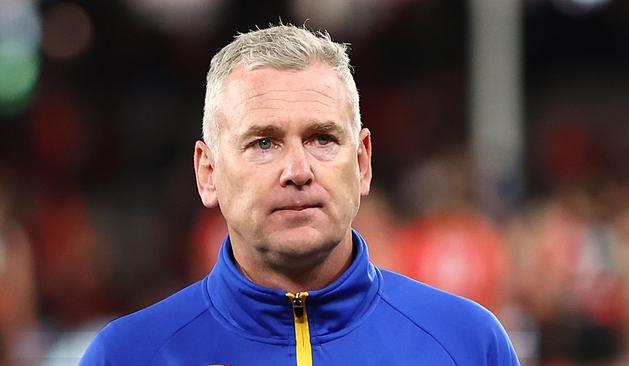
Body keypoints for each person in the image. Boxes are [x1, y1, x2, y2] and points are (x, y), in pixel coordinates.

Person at [80, 24, 520, 365]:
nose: (297, 171)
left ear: (363, 163)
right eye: (264, 143)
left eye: (322, 139)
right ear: (208, 173)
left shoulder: (467, 344)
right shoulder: (127, 355)